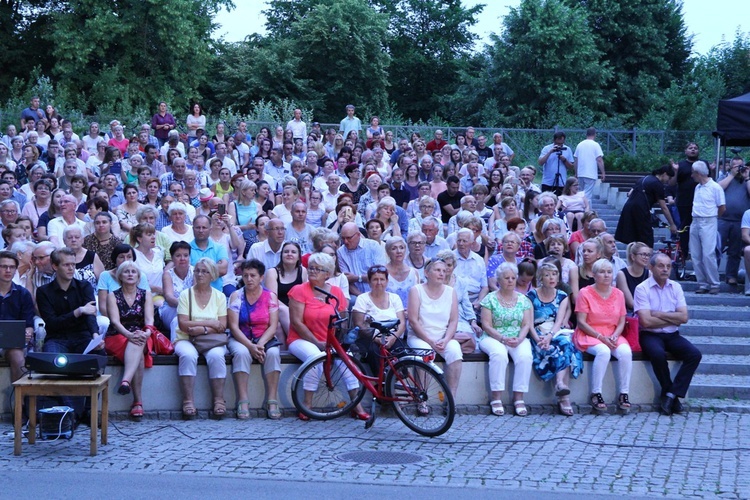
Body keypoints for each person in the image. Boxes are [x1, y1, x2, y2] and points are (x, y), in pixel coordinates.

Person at [287, 252, 369, 421]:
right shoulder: (298, 290)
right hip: (302, 339)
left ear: (328, 274)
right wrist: (317, 343)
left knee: (348, 361)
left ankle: (356, 405)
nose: (312, 271)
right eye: (311, 268)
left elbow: (343, 320)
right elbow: (297, 323)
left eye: (318, 269)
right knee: (315, 358)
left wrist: (338, 342)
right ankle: (307, 405)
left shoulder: (336, 292)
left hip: (330, 340)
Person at [36, 248, 105, 417]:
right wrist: (77, 312)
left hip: (82, 336)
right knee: (53, 360)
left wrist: (95, 336)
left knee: (98, 356)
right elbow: (52, 324)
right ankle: (71, 412)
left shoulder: (84, 286)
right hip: (57, 338)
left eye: (73, 265)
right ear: (54, 266)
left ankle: (89, 409)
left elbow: (90, 316)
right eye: (66, 265)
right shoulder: (44, 291)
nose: (71, 268)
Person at [634, 253, 702, 416]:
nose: (665, 269)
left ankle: (671, 394)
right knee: (657, 354)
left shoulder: (675, 287)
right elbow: (646, 322)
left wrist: (658, 314)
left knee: (694, 354)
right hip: (650, 334)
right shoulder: (642, 288)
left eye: (668, 266)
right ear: (651, 268)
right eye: (661, 266)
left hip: (672, 335)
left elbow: (684, 317)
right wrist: (672, 317)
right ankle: (670, 394)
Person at [573, 258, 632, 413]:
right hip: (590, 333)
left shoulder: (619, 294)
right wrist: (600, 337)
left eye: (609, 272)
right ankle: (596, 393)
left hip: (612, 333)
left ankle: (624, 393)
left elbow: (621, 320)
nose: (606, 275)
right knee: (603, 351)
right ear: (593, 274)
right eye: (602, 272)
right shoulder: (585, 293)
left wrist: (614, 335)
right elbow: (581, 322)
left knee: (625, 352)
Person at [227, 259, 282, 420]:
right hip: (241, 338)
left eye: (253, 275)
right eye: (245, 276)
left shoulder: (270, 296)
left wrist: (259, 344)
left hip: (264, 337)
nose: (249, 279)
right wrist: (250, 346)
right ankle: (243, 400)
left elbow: (273, 325)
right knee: (242, 353)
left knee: (273, 353)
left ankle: (272, 399)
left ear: (261, 277)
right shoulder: (236, 296)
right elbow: (234, 327)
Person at [526, 261, 582, 416]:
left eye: (554, 274)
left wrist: (550, 336)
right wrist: (539, 340)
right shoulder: (530, 296)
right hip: (536, 333)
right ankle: (564, 398)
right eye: (547, 275)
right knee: (556, 349)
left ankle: (560, 384)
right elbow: (529, 323)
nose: (551, 278)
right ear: (540, 278)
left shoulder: (562, 296)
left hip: (554, 331)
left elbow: (559, 321)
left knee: (566, 343)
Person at [175, 258, 228, 419]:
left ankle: (219, 400)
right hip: (186, 338)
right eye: (197, 270)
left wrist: (201, 329)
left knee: (217, 356)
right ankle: (188, 401)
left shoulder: (219, 296)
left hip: (212, 339)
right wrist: (209, 323)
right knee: (188, 355)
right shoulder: (186, 295)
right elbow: (184, 325)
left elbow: (222, 325)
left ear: (212, 275)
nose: (200, 274)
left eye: (204, 271)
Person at [478, 262, 534, 416]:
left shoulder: (524, 300)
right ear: (499, 280)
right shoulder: (490, 299)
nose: (510, 281)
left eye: (513, 278)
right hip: (493, 336)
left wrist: (520, 338)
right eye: (506, 278)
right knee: (499, 354)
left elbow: (526, 324)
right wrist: (502, 338)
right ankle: (496, 398)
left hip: (517, 336)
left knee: (525, 356)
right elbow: (486, 325)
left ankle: (519, 398)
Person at [105, 261, 154, 420]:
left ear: (139, 277)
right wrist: (129, 334)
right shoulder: (113, 295)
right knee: (137, 352)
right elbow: (115, 322)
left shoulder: (145, 293)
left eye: (134, 271)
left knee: (138, 341)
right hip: (118, 334)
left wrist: (147, 333)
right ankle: (137, 402)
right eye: (126, 272)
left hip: (142, 334)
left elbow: (149, 319)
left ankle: (126, 382)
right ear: (120, 276)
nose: (130, 274)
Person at [407, 257, 462, 398]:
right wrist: (431, 341)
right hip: (420, 336)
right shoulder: (416, 290)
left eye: (444, 271)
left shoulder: (451, 292)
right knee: (425, 352)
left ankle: (451, 398)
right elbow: (413, 321)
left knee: (455, 351)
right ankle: (422, 398)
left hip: (443, 336)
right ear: (426, 273)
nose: (442, 273)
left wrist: (445, 339)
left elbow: (453, 321)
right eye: (437, 270)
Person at [352, 265, 407, 375]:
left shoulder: (394, 298)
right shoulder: (362, 299)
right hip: (371, 338)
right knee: (374, 352)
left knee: (401, 352)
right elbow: (359, 324)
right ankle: (379, 386)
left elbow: (402, 323)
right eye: (375, 279)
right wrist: (377, 339)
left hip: (393, 337)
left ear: (387, 281)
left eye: (382, 279)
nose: (379, 283)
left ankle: (396, 383)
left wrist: (392, 338)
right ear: (369, 281)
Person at [615, 165, 677, 248]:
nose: (667, 181)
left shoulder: (643, 178)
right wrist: (672, 224)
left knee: (633, 239)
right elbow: (664, 207)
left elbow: (629, 194)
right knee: (647, 241)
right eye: (669, 178)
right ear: (664, 174)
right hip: (641, 210)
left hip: (628, 208)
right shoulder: (658, 184)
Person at [690, 161, 725, 294]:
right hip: (695, 221)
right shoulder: (697, 187)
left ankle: (714, 283)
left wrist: (714, 218)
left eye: (693, 173)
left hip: (708, 220)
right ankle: (702, 283)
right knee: (695, 254)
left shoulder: (715, 187)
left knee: (708, 254)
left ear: (698, 173)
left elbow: (722, 207)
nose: (692, 175)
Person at [0, 251, 35, 384]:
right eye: (3, 266)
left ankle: (21, 402)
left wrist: (28, 333)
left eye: (11, 267)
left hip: (11, 343)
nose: (8, 270)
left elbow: (29, 323)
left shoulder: (23, 294)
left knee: (18, 357)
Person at [264, 241, 308, 338]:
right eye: (286, 252)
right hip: (277, 309)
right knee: (283, 310)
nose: (289, 254)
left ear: (298, 256)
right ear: (281, 255)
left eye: (293, 252)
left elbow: (306, 295)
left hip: (297, 308)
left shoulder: (303, 271)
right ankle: (297, 339)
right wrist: (290, 310)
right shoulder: (273, 272)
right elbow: (272, 299)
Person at [717, 156, 750, 286]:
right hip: (723, 219)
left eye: (740, 165)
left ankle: (731, 276)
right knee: (717, 249)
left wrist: (747, 177)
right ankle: (714, 276)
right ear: (730, 166)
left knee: (735, 251)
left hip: (740, 222)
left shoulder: (747, 180)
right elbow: (717, 189)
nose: (738, 168)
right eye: (735, 165)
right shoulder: (724, 177)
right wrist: (731, 175)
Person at [337, 222, 387, 296]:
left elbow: (380, 275)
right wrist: (362, 297)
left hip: (377, 291)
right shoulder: (341, 252)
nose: (345, 241)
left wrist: (357, 278)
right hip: (356, 295)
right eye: (343, 238)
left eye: (349, 238)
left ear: (358, 235)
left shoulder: (373, 246)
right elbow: (347, 280)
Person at [615, 242, 651, 312]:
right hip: (629, 313)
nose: (646, 257)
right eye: (643, 254)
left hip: (646, 310)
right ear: (633, 257)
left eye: (648, 255)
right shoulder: (622, 274)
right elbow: (630, 303)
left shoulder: (649, 274)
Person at [573, 127, 606, 200]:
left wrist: (576, 173)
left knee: (581, 193)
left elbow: (576, 160)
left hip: (581, 173)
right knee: (587, 195)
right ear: (595, 134)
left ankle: (580, 209)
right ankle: (587, 210)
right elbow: (599, 160)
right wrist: (603, 173)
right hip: (590, 174)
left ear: (586, 134)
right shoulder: (595, 145)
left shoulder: (580, 144)